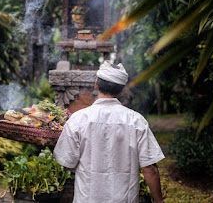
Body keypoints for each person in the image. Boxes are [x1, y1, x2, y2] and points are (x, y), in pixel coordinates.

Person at [53, 61, 165, 203]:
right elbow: (150, 168)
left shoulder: (78, 120)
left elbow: (67, 163)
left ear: (96, 84)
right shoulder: (136, 121)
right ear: (121, 91)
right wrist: (159, 201)